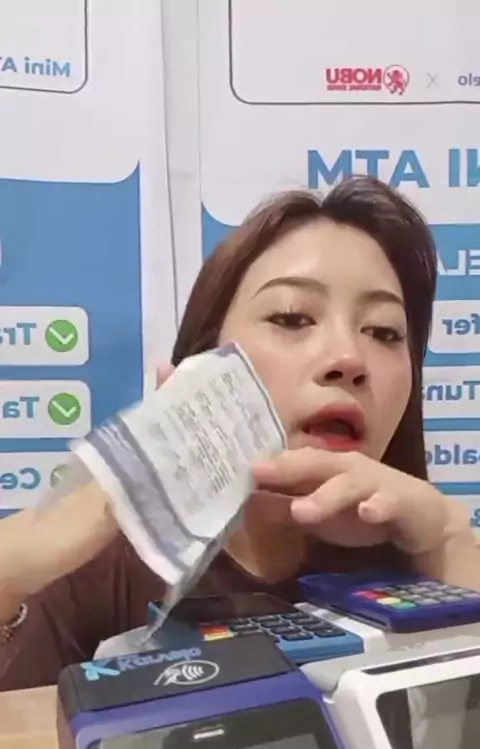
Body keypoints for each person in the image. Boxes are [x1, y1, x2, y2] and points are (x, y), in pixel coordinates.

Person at [1, 174, 478, 691]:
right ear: (205, 361)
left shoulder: (427, 554)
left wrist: (449, 542)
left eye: (384, 332)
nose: (348, 358)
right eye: (292, 318)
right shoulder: (104, 562)